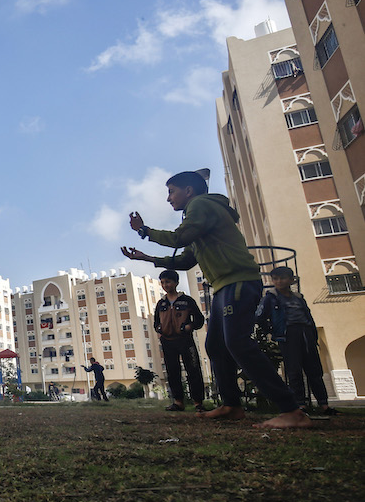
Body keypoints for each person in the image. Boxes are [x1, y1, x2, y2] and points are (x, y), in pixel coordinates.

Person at [122, 170, 308, 428]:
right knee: (217, 346)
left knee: (238, 343)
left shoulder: (201, 205)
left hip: (237, 282)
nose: (168, 199)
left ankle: (291, 410)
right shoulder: (199, 218)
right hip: (224, 287)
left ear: (189, 191)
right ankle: (232, 406)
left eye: (171, 192)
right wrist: (148, 259)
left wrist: (144, 230)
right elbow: (186, 259)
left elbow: (179, 238)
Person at [258, 266, 337, 415]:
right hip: (288, 334)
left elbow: (308, 316)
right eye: (275, 278)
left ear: (291, 280)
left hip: (305, 332)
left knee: (314, 369)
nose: (279, 281)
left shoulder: (298, 297)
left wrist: (313, 335)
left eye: (282, 278)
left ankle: (324, 405)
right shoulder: (271, 296)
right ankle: (300, 405)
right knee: (294, 370)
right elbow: (260, 316)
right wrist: (272, 330)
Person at [154, 269, 206, 412]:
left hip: (185, 340)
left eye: (168, 282)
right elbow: (156, 322)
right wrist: (160, 329)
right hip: (167, 341)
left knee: (193, 370)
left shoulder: (187, 300)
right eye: (163, 282)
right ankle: (178, 402)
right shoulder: (161, 303)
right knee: (172, 371)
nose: (165, 285)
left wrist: (189, 326)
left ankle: (198, 402)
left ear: (176, 282)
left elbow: (199, 320)